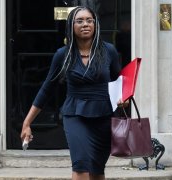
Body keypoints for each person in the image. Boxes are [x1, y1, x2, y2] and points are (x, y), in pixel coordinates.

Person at [20, 6, 125, 180]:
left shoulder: (109, 51)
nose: (85, 24)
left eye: (89, 20)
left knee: (97, 169)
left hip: (104, 115)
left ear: (95, 25)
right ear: (71, 26)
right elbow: (47, 89)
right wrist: (27, 122)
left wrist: (123, 98)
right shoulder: (63, 55)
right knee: (81, 164)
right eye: (80, 21)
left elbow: (120, 82)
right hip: (75, 115)